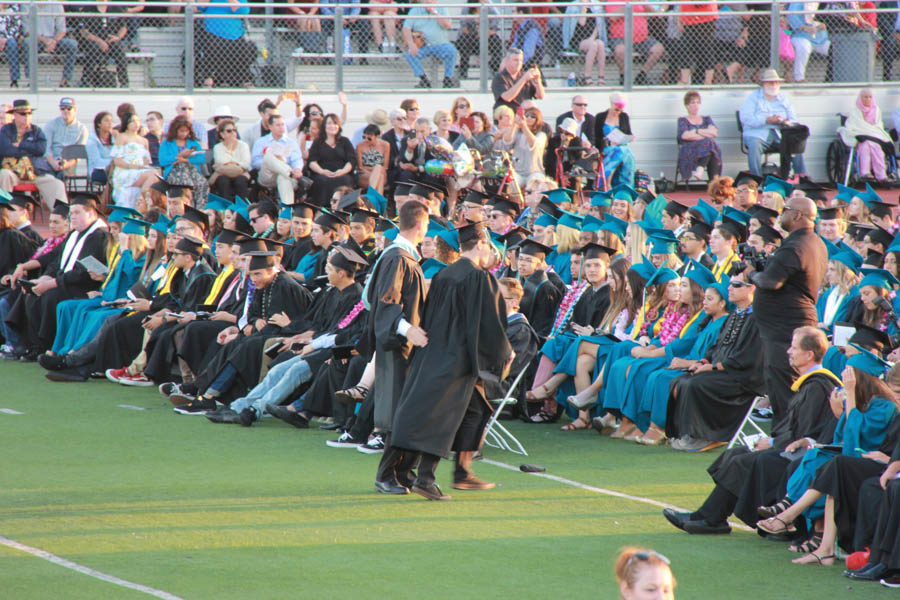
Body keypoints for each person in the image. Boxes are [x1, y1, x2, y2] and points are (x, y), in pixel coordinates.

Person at [663, 326, 839, 535]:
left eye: (793, 348)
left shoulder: (818, 386)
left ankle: (710, 519)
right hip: (790, 447)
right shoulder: (809, 384)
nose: (788, 352)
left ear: (809, 354)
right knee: (735, 453)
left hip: (803, 455)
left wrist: (773, 443)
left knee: (745, 461)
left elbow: (806, 434)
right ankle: (708, 516)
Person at [389, 222, 512, 500]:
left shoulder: (445, 274)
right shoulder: (479, 277)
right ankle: (426, 479)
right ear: (480, 244)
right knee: (443, 416)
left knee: (476, 410)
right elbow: (489, 322)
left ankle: (462, 472)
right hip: (457, 358)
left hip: (435, 352)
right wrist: (503, 352)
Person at [665, 268, 764, 452]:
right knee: (680, 380)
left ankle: (710, 436)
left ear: (751, 289)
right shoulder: (735, 315)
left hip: (742, 377)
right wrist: (702, 363)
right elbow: (716, 348)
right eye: (730, 285)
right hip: (724, 370)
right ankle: (688, 432)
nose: (730, 289)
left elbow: (746, 357)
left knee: (696, 384)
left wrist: (713, 368)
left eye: (736, 285)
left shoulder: (757, 318)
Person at [368, 201, 429, 495]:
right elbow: (387, 304)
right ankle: (386, 474)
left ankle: (403, 471)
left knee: (407, 410)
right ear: (420, 226)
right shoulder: (397, 258)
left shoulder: (403, 257)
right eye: (427, 225)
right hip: (397, 345)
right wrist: (409, 330)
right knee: (398, 413)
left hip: (406, 345)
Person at [749, 196, 827, 424]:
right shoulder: (812, 242)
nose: (780, 214)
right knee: (783, 386)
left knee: (785, 388)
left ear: (798, 215)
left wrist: (751, 274)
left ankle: (785, 443)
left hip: (786, 329)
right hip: (788, 325)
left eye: (785, 210)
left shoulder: (796, 246)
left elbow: (771, 282)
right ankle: (785, 438)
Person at [738, 69, 810, 180]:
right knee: (754, 145)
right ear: (763, 84)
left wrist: (785, 122)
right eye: (770, 82)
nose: (774, 85)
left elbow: (793, 119)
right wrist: (766, 120)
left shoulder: (783, 99)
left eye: (776, 82)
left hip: (779, 134)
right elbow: (746, 118)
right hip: (757, 133)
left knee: (796, 142)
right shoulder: (753, 98)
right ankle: (757, 180)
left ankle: (801, 177)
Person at [0, 100, 67, 210]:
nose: (27, 116)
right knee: (4, 174)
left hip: (34, 172)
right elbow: (6, 150)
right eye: (23, 114)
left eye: (29, 113)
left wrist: (21, 144)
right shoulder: (6, 130)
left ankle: (63, 218)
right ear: (15, 115)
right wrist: (31, 149)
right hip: (13, 172)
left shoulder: (36, 131)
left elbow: (41, 149)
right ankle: (5, 213)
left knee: (57, 184)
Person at [8, 1, 78, 88]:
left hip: (53, 40)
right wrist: (45, 40)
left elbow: (62, 30)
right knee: (27, 42)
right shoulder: (26, 4)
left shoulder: (56, 4)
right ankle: (32, 80)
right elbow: (27, 31)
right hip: (35, 39)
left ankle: (65, 81)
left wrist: (53, 42)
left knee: (72, 44)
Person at [839, 89, 895, 183]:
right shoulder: (855, 111)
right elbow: (854, 125)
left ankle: (881, 175)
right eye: (865, 97)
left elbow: (878, 125)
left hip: (874, 136)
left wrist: (871, 132)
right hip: (861, 137)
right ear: (860, 98)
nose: (868, 99)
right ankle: (865, 173)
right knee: (866, 145)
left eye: (870, 97)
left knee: (876, 147)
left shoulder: (876, 110)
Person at [197, 0, 256, 88]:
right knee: (212, 47)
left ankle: (243, 79)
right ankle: (209, 78)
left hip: (235, 33)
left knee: (244, 49)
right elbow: (198, 7)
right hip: (212, 32)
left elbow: (243, 11)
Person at [605, 1, 664, 86]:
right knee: (620, 50)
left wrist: (643, 3)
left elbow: (654, 15)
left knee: (658, 49)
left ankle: (642, 75)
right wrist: (629, 5)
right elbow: (613, 17)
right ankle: (624, 76)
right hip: (620, 37)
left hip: (642, 38)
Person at [402, 0, 458, 89]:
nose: (428, 1)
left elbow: (447, 25)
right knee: (409, 54)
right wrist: (411, 44)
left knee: (452, 51)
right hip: (422, 45)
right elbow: (406, 28)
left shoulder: (442, 9)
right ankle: (424, 80)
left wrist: (435, 12)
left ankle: (447, 79)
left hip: (440, 44)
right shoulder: (415, 10)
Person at [251, 113, 304, 205]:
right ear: (270, 127)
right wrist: (274, 160)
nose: (281, 127)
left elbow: (297, 160)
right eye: (278, 125)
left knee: (283, 177)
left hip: (287, 177)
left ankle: (286, 212)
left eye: (283, 124)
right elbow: (255, 162)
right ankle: (288, 172)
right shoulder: (261, 142)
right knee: (268, 155)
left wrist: (298, 169)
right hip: (268, 176)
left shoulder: (291, 143)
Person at [159, 116, 208, 208]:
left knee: (202, 183)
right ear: (175, 130)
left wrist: (186, 159)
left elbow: (201, 158)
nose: (184, 133)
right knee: (187, 183)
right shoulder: (167, 143)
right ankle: (188, 208)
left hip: (191, 169)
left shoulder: (193, 142)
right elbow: (163, 160)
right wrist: (179, 156)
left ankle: (199, 209)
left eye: (186, 131)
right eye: (181, 131)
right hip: (175, 171)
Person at [308, 114, 356, 207]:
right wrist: (322, 171)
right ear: (324, 126)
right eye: (329, 123)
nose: (332, 126)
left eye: (335, 123)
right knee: (322, 181)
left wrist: (342, 171)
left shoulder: (345, 141)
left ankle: (345, 209)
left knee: (345, 180)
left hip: (342, 172)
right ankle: (320, 210)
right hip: (322, 173)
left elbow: (351, 161)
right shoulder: (318, 142)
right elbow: (312, 161)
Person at [77, 1, 129, 88]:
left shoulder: (116, 8)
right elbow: (83, 31)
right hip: (94, 40)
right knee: (91, 49)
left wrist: (118, 37)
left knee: (120, 51)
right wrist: (99, 41)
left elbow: (123, 27)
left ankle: (124, 82)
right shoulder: (88, 9)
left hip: (110, 40)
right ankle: (86, 79)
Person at [493, 106, 548, 188]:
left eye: (533, 116)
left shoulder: (541, 135)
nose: (529, 118)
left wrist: (524, 126)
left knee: (534, 184)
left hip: (535, 172)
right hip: (518, 172)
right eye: (527, 115)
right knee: (510, 184)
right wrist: (514, 125)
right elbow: (507, 142)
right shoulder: (517, 132)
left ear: (537, 119)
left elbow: (533, 144)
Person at [110, 112, 155, 209]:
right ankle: (142, 198)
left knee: (156, 175)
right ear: (126, 123)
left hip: (140, 171)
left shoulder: (144, 140)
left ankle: (143, 199)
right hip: (125, 171)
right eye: (132, 121)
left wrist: (142, 167)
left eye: (138, 121)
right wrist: (133, 166)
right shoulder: (122, 137)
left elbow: (146, 161)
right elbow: (117, 161)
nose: (136, 123)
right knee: (152, 174)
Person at [677, 90, 722, 182]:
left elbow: (714, 132)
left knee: (710, 145)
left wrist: (696, 131)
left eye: (698, 102)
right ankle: (714, 181)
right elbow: (685, 136)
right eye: (693, 103)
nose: (696, 105)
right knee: (710, 143)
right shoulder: (683, 120)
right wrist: (705, 134)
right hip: (689, 150)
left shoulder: (706, 119)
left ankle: (700, 170)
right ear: (687, 105)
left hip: (706, 148)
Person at [42, 97, 89, 183]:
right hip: (50, 161)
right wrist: (53, 163)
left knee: (62, 176)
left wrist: (66, 164)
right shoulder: (51, 125)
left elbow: (77, 156)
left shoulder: (82, 129)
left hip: (68, 164)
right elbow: (46, 148)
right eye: (62, 108)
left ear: (75, 109)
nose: (65, 111)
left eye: (69, 108)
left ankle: (60, 196)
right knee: (47, 177)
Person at [594, 92, 636, 188]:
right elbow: (595, 137)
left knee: (626, 151)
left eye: (620, 110)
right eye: (616, 109)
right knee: (622, 151)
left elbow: (628, 133)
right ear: (611, 104)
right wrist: (609, 142)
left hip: (621, 147)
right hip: (606, 147)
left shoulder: (624, 116)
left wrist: (631, 138)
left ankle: (617, 184)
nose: (618, 112)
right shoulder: (600, 117)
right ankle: (614, 183)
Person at [787, 2, 830, 83]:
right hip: (799, 35)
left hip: (819, 37)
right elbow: (791, 16)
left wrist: (821, 25)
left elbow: (823, 18)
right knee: (804, 47)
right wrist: (803, 27)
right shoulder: (796, 3)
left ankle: (830, 77)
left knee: (831, 48)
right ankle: (799, 78)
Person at [210, 118, 250, 201]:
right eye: (229, 131)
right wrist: (236, 164)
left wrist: (228, 164)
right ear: (222, 134)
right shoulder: (218, 147)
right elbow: (220, 163)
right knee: (223, 181)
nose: (233, 133)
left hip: (241, 174)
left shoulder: (243, 145)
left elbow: (246, 164)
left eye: (234, 130)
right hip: (224, 174)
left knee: (240, 181)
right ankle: (226, 209)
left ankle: (242, 209)